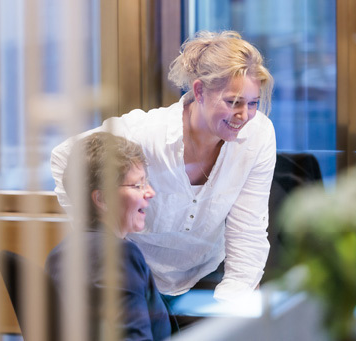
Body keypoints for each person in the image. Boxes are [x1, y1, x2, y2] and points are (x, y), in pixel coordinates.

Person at [50, 30, 276, 302]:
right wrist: (102, 240)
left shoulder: (258, 135)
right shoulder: (147, 134)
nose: (244, 115)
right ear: (200, 91)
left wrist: (232, 303)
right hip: (137, 275)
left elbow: (248, 230)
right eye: (233, 102)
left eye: (252, 104)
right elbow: (65, 157)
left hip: (206, 272)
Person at [45, 132, 171, 341]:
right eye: (137, 185)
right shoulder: (118, 255)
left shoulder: (62, 252)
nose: (149, 192)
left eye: (146, 182)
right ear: (102, 199)